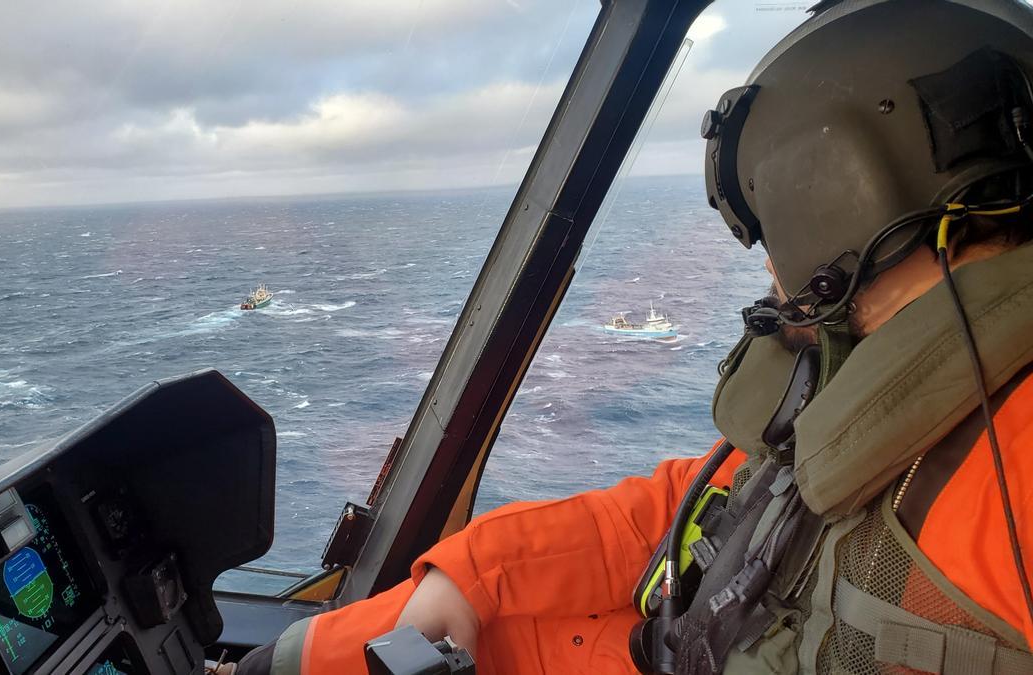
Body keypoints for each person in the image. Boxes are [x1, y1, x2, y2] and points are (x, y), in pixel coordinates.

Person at [227, 0, 1033, 672]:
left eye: (774, 238)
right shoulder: (871, 379)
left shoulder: (1012, 473)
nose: (772, 282)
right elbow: (689, 506)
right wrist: (470, 577)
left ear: (835, 196)